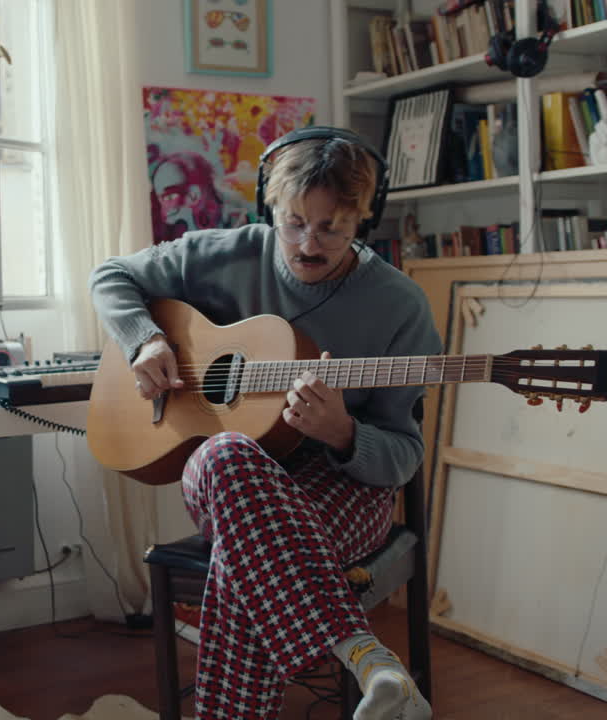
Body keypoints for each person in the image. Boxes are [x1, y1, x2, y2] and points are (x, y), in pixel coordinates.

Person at [89, 127, 439, 720]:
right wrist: (144, 339)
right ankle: (366, 656)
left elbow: (404, 453)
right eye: (295, 221)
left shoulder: (399, 305)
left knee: (245, 555)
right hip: (234, 477)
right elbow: (111, 277)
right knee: (226, 454)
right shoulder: (224, 253)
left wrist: (342, 434)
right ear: (270, 207)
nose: (308, 243)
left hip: (343, 487)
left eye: (332, 227)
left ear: (363, 221)